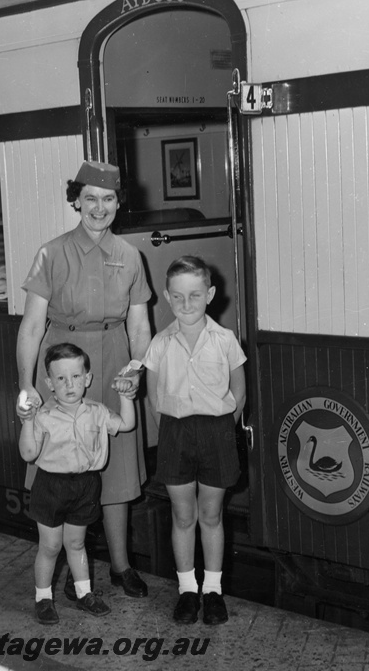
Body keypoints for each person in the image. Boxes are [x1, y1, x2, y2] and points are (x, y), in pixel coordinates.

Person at [16, 160, 152, 599]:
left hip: (112, 359)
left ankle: (119, 566)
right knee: (57, 461)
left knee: (115, 465)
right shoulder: (50, 253)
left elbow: (139, 324)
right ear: (76, 200)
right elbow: (32, 327)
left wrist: (136, 370)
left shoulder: (131, 256)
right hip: (61, 364)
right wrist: (27, 384)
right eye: (90, 197)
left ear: (118, 203)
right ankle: (56, 571)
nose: (99, 207)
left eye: (108, 198)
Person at [142, 256, 246, 626]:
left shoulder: (225, 340)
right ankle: (188, 589)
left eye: (195, 295)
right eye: (178, 297)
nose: (187, 304)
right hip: (175, 432)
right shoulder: (159, 343)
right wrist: (172, 429)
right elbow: (154, 398)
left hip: (217, 432)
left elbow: (239, 392)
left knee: (211, 515)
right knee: (183, 515)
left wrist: (220, 430)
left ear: (210, 294)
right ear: (168, 298)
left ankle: (213, 590)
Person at [19, 342, 136, 623]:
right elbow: (28, 453)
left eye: (75, 376)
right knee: (49, 546)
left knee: (76, 544)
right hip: (51, 487)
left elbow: (128, 424)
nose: (69, 384)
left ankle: (84, 594)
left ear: (87, 379)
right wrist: (26, 420)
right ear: (49, 383)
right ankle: (44, 598)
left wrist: (127, 397)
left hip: (85, 485)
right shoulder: (43, 416)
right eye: (60, 378)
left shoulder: (98, 411)